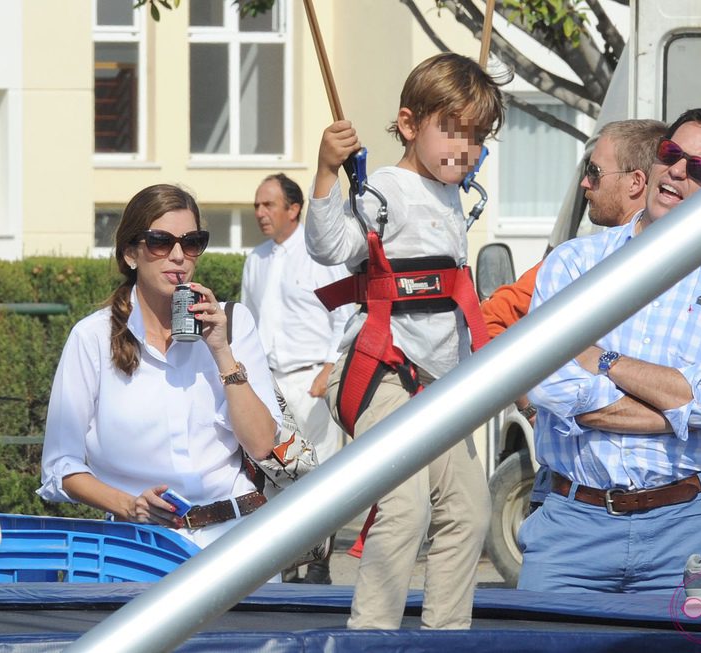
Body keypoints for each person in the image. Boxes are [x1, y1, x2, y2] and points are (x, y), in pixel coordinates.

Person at [518, 108, 701, 594]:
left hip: (693, 534)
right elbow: (548, 385)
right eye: (670, 154)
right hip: (574, 525)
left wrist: (604, 361)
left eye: (698, 168)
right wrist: (682, 405)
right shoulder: (574, 264)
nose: (676, 170)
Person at [305, 53, 504, 629]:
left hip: (441, 381)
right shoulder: (383, 189)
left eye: (478, 137)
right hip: (383, 372)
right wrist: (325, 171)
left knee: (470, 511)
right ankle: (372, 635)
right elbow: (329, 246)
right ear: (410, 124)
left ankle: (446, 633)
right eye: (452, 131)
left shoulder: (454, 192)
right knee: (404, 506)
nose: (465, 149)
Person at [39, 184, 282, 549]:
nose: (179, 255)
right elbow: (61, 467)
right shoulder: (92, 337)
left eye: (192, 242)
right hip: (139, 546)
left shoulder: (232, 323)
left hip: (237, 538)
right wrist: (130, 505)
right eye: (160, 242)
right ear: (131, 254)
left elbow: (263, 445)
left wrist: (221, 351)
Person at [480, 119, 667, 505]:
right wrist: (532, 402)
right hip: (576, 489)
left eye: (593, 173)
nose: (585, 184)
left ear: (635, 183)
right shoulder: (572, 266)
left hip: (673, 494)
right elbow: (488, 322)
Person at [241, 173, 352, 584]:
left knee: (318, 474)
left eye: (268, 204)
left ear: (294, 209)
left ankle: (320, 562)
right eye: (257, 205)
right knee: (273, 472)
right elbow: (248, 324)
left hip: (312, 381)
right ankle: (286, 561)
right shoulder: (256, 259)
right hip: (270, 385)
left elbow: (346, 313)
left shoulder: (321, 255)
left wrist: (328, 366)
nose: (260, 213)